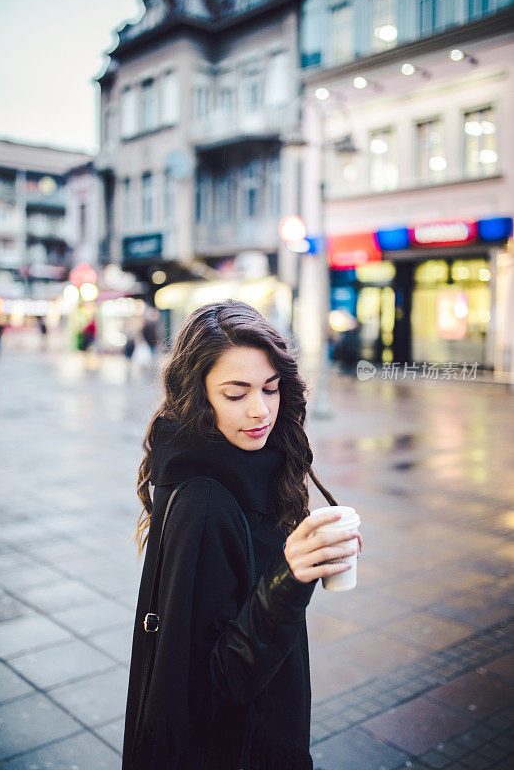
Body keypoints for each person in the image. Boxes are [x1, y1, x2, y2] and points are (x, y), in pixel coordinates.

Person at [122, 300, 363, 770]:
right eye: (236, 394)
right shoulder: (206, 501)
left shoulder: (245, 461)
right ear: (198, 396)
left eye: (270, 389)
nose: (260, 411)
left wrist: (306, 557)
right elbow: (215, 681)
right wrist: (289, 579)